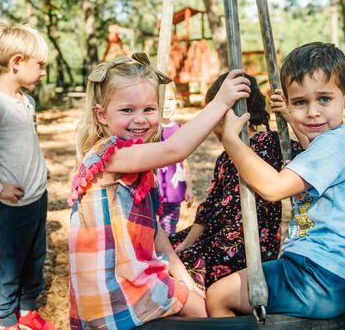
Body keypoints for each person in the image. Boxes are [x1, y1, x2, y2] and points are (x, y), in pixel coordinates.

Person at [67, 52, 250, 329]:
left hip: (134, 275)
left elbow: (154, 231)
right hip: (113, 289)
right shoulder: (110, 155)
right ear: (102, 115)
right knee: (207, 314)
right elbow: (174, 149)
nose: (140, 119)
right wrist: (220, 103)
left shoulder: (137, 157)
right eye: (127, 110)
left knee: (202, 303)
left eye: (149, 110)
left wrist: (184, 279)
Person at [206, 42, 345, 319]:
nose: (312, 112)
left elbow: (273, 188)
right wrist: (288, 116)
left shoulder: (335, 146)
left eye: (324, 99)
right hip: (340, 276)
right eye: (300, 102)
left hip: (316, 277)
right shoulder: (340, 141)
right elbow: (312, 145)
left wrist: (232, 141)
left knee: (217, 296)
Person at [169, 73, 303, 291]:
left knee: (186, 264)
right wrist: (186, 242)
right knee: (168, 248)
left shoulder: (272, 143)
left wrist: (290, 118)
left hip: (250, 243)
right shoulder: (224, 158)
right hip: (217, 234)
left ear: (226, 115)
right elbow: (208, 209)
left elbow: (309, 152)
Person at [0, 21, 56, 330]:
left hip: (37, 195)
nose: (42, 72)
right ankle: (6, 318)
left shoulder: (26, 101)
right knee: (9, 262)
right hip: (13, 202)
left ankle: (28, 309)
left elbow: (25, 143)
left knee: (35, 255)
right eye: (39, 65)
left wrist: (40, 167)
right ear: (16, 62)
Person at [157, 82, 194, 235]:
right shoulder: (151, 129)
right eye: (162, 100)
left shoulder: (179, 129)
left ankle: (167, 256)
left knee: (169, 230)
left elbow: (184, 161)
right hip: (155, 189)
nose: (167, 104)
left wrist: (189, 187)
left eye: (171, 99)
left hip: (175, 189)